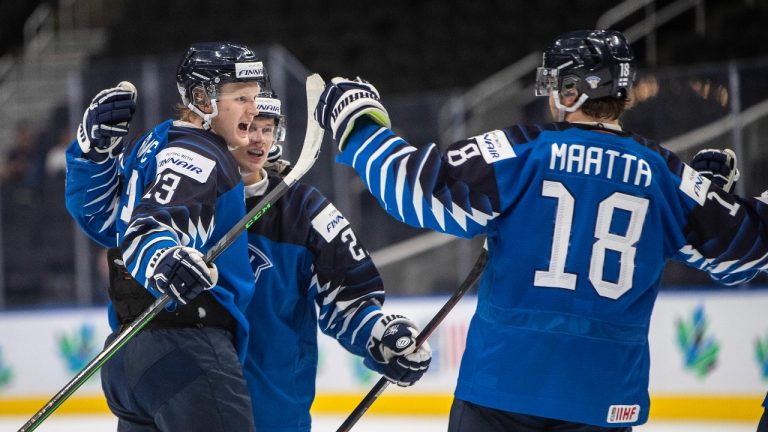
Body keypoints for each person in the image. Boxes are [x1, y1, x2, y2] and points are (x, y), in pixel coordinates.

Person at [313, 29, 768, 431]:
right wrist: (712, 195)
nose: (549, 94)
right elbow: (745, 252)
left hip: (503, 387)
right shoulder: (666, 176)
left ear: (571, 92)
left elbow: (416, 189)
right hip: (605, 397)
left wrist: (359, 127)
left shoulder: (524, 152)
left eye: (556, 84)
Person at [66, 85, 433, 430]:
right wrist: (94, 157)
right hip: (182, 397)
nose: (257, 137)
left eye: (267, 128)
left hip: (274, 413)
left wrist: (382, 334)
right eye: (249, 126)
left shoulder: (304, 211)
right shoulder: (181, 189)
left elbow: (351, 300)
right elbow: (115, 222)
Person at [65, 42, 265, 431]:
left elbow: (106, 224)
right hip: (187, 351)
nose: (254, 109)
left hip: (129, 355)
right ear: (201, 98)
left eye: (256, 97)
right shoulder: (201, 153)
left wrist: (92, 159)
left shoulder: (154, 142)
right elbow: (153, 228)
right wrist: (160, 256)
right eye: (241, 97)